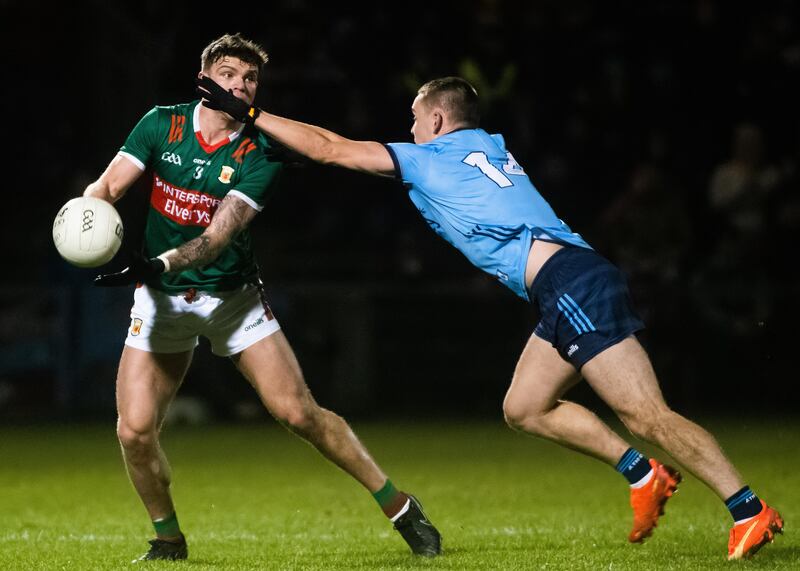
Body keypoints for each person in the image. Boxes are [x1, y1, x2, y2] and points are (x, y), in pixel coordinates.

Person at [197, 74, 784, 560]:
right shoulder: (488, 147)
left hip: (569, 282)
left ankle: (748, 509)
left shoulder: (431, 158)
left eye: (413, 118)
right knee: (525, 407)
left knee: (646, 414)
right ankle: (642, 474)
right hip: (565, 283)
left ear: (435, 123)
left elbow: (329, 146)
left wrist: (248, 113)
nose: (408, 130)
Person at [83, 33, 441, 562]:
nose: (241, 86)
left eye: (250, 79)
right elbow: (107, 189)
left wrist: (155, 263)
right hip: (161, 301)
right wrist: (86, 222)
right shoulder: (162, 122)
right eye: (229, 74)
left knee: (299, 415)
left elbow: (214, 241)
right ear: (204, 78)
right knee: (134, 432)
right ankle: (168, 540)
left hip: (232, 300)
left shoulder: (262, 149)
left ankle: (400, 505)